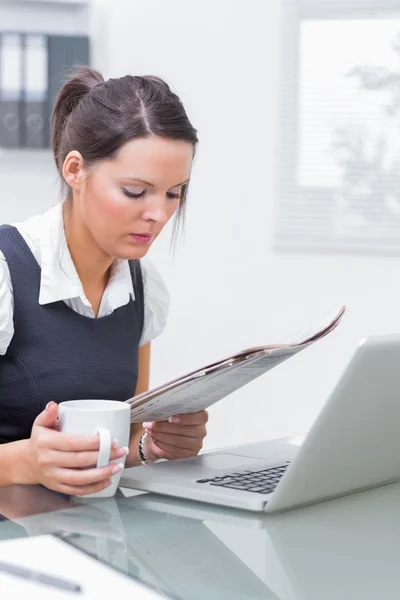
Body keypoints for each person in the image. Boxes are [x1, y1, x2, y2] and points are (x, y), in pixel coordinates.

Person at [0, 66, 208, 496]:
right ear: (75, 170)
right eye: (136, 191)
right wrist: (24, 461)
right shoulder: (7, 271)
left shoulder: (140, 287)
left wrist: (152, 448)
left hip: (84, 537)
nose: (158, 214)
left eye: (174, 193)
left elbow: (120, 447)